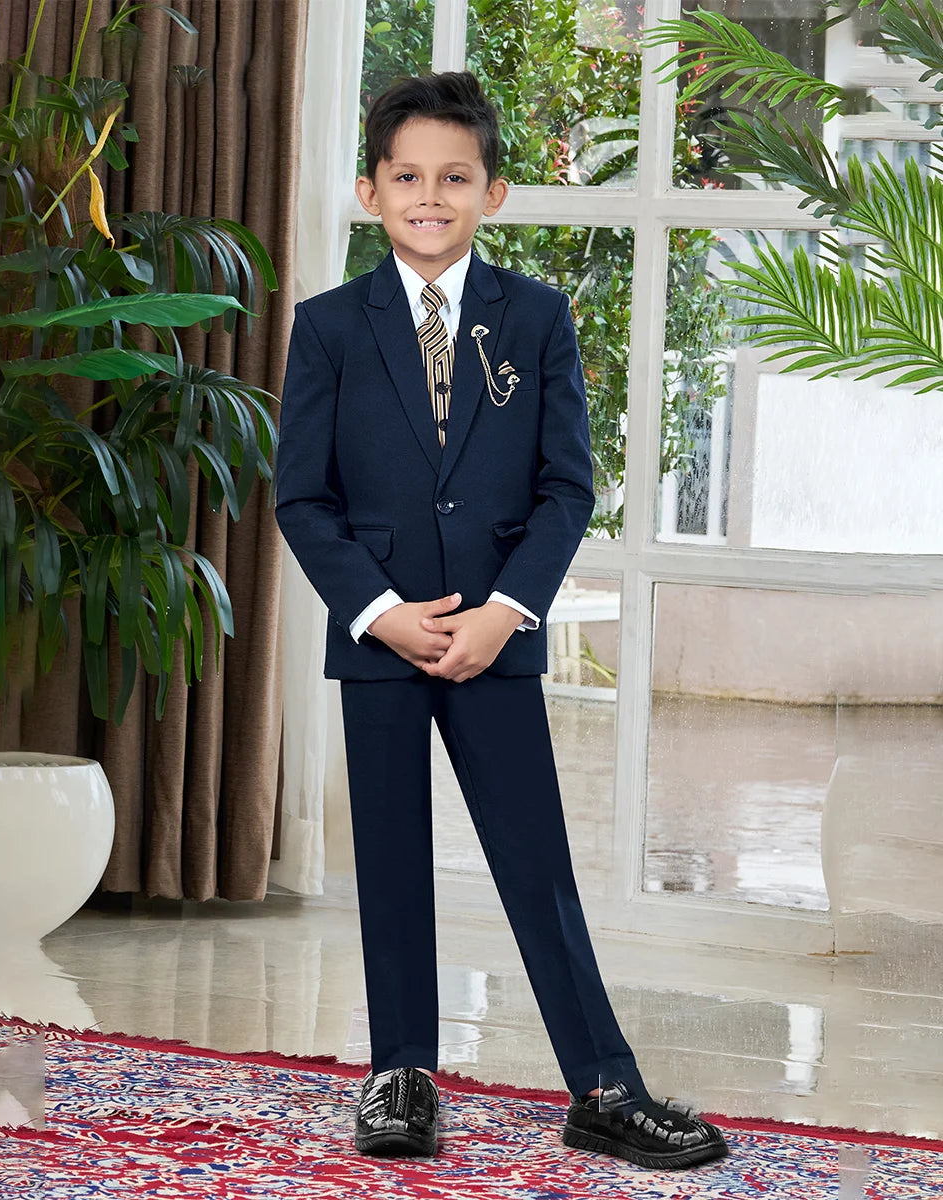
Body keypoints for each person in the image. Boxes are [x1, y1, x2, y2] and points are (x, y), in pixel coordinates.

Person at [274, 69, 728, 1171]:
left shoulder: (536, 316)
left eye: (455, 178)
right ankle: (398, 1077)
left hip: (494, 642)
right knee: (387, 863)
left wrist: (505, 614)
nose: (431, 197)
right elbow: (302, 497)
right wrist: (380, 614)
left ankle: (604, 1087)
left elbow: (567, 488)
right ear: (370, 191)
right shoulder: (330, 327)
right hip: (380, 643)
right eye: (408, 177)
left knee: (535, 867)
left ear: (495, 192)